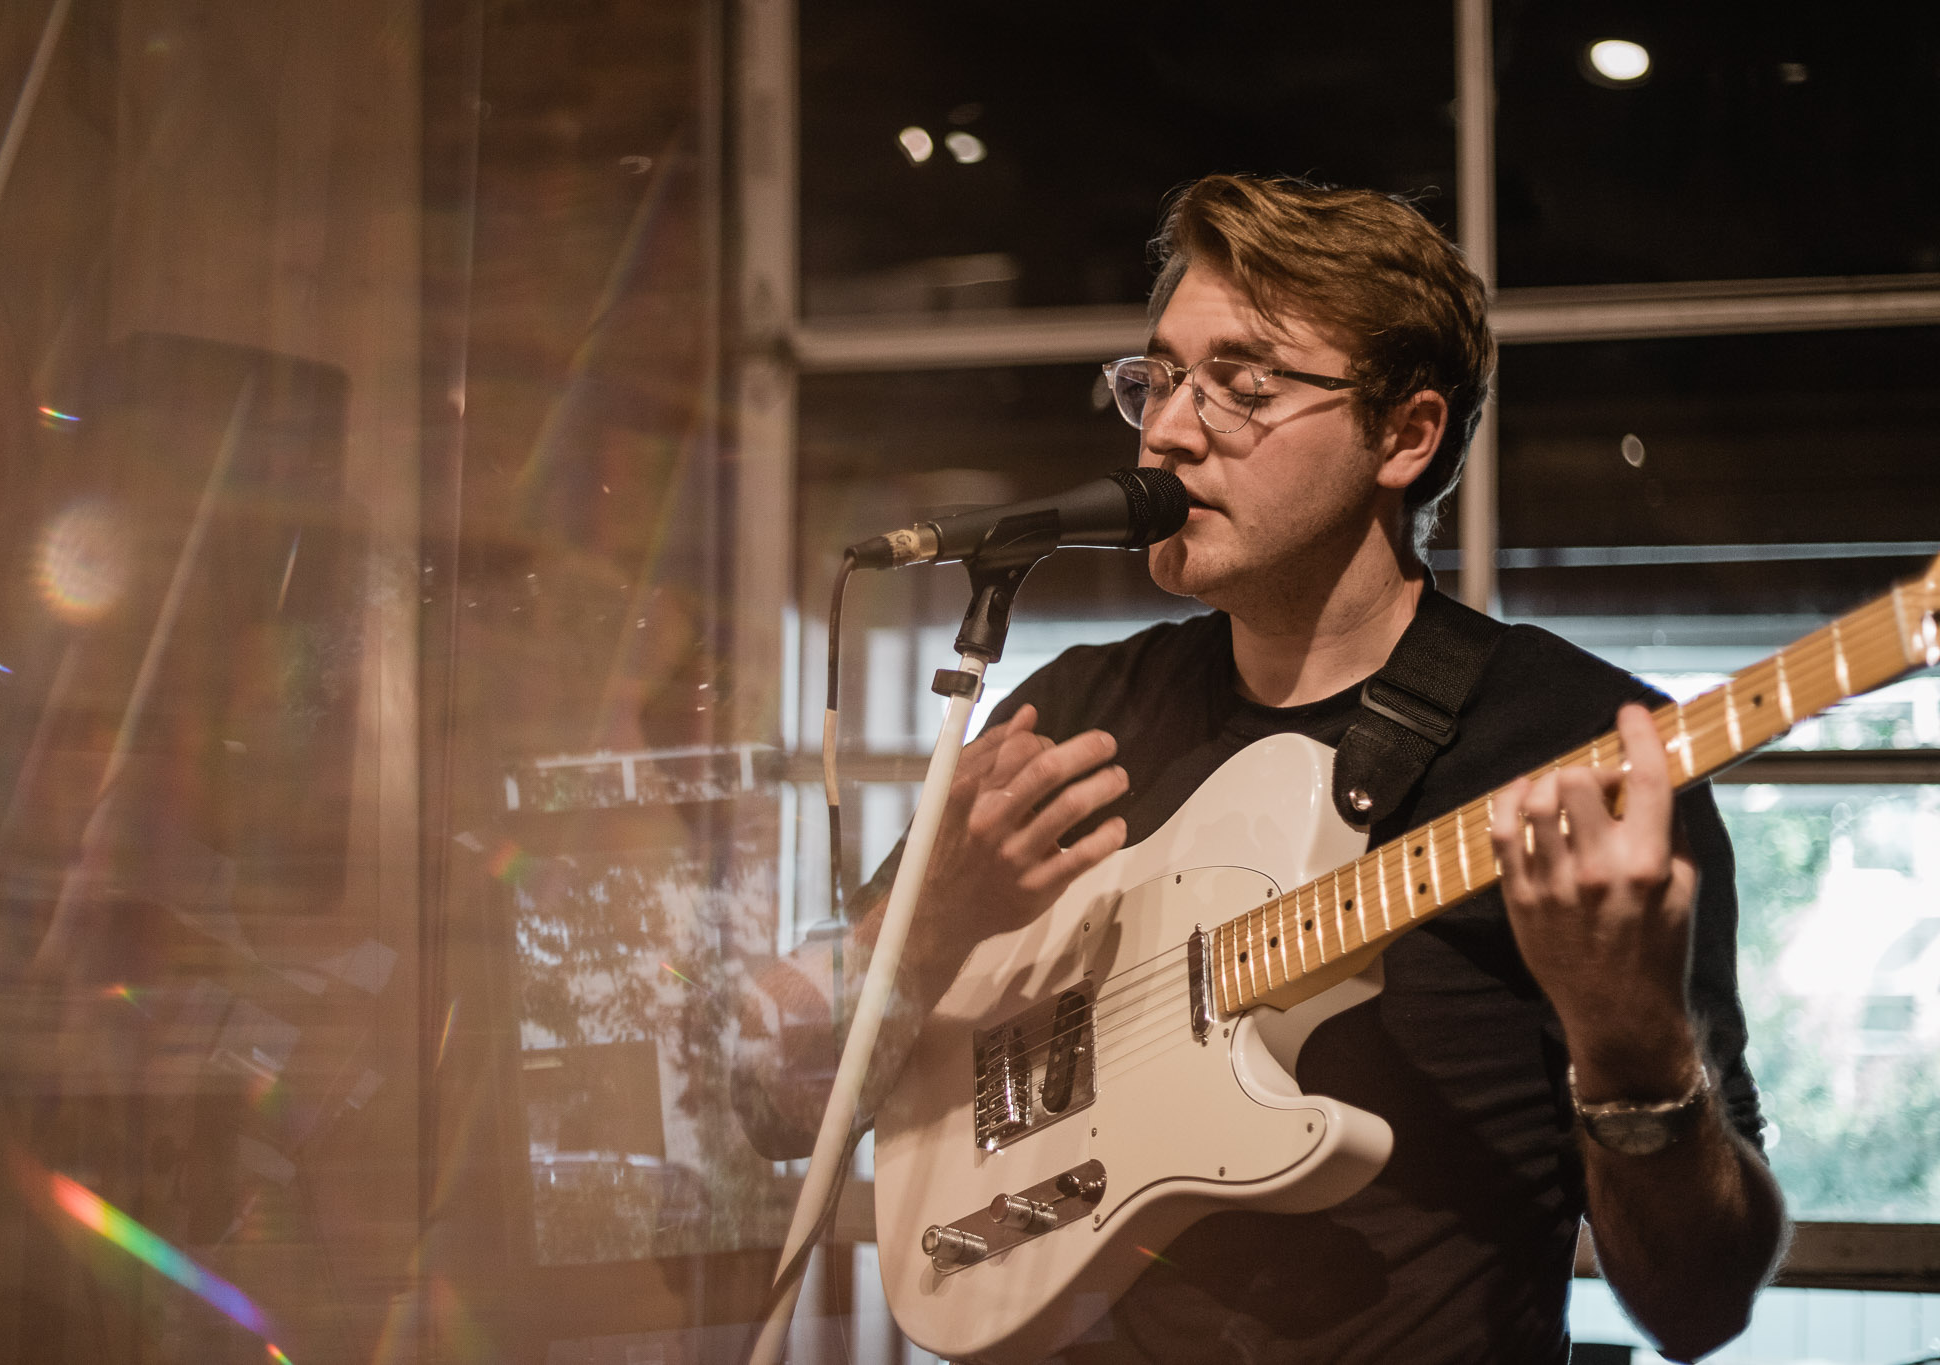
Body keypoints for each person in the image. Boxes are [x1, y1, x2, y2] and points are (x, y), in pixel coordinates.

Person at [731, 174, 1787, 1363]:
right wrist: (920, 930)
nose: (1167, 431)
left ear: (1405, 435)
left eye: (1243, 386)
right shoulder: (1074, 714)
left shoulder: (1578, 745)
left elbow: (1698, 1306)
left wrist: (1627, 1041)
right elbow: (766, 1101)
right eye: (1156, 379)